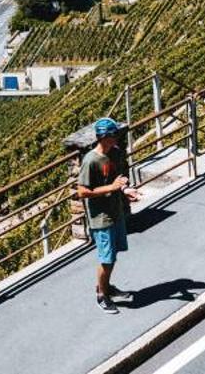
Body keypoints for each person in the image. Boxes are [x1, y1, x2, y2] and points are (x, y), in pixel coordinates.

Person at [77, 118, 139, 313]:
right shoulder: (90, 160)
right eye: (113, 136)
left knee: (113, 256)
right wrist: (111, 188)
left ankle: (106, 287)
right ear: (103, 137)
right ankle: (101, 295)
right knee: (106, 258)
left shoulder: (115, 154)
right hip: (101, 217)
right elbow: (82, 191)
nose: (116, 139)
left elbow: (117, 181)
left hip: (115, 212)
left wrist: (125, 191)